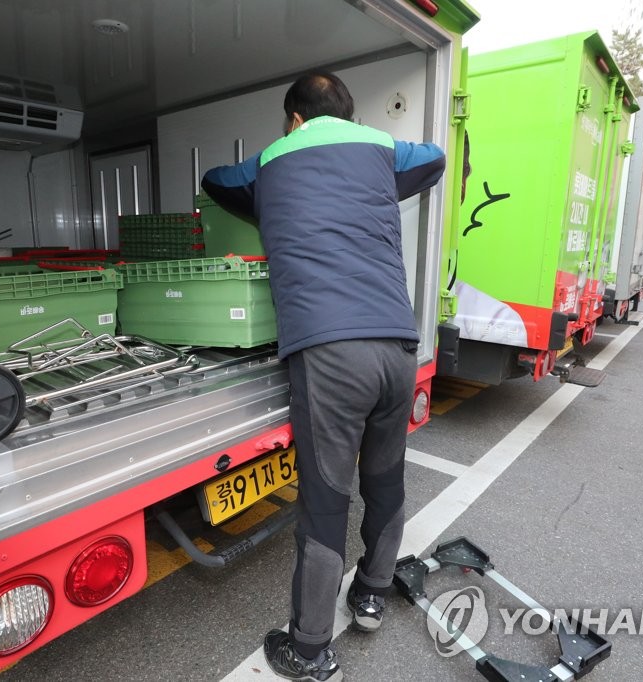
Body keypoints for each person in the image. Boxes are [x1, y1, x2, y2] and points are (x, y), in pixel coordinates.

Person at [201, 71, 445, 682]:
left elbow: (215, 181)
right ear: (348, 113)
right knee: (385, 479)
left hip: (330, 352)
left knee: (326, 499)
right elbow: (435, 159)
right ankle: (370, 593)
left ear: (294, 119)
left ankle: (309, 649)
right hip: (397, 345)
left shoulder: (270, 161)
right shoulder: (380, 149)